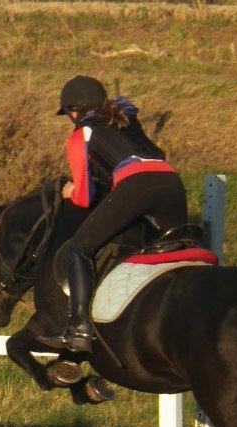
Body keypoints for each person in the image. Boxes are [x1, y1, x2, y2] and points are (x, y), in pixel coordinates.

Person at [38, 75, 189, 353]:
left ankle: (79, 327)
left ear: (73, 112)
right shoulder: (126, 117)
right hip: (172, 182)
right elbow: (128, 106)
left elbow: (85, 198)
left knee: (77, 250)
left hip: (136, 186)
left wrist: (68, 191)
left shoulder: (81, 134)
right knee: (181, 252)